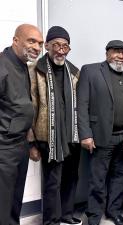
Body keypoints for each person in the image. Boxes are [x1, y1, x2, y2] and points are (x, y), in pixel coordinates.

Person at [77, 40, 123, 225]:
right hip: (100, 137)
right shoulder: (91, 71)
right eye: (116, 51)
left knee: (120, 178)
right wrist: (85, 134)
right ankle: (94, 215)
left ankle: (113, 211)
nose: (120, 56)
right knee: (98, 179)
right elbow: (82, 104)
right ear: (107, 53)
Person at [27, 26, 82, 225]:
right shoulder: (35, 70)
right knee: (52, 183)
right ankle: (51, 220)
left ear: (69, 49)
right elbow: (29, 108)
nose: (60, 50)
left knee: (71, 178)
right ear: (47, 46)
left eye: (65, 46)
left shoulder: (74, 72)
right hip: (48, 137)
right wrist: (31, 143)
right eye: (56, 45)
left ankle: (66, 215)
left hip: (72, 137)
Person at [0, 24, 43, 225]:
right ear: (16, 40)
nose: (37, 47)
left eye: (40, 43)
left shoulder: (23, 65)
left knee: (15, 198)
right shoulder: (2, 65)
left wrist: (30, 142)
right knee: (3, 200)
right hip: (4, 147)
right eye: (31, 41)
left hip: (20, 145)